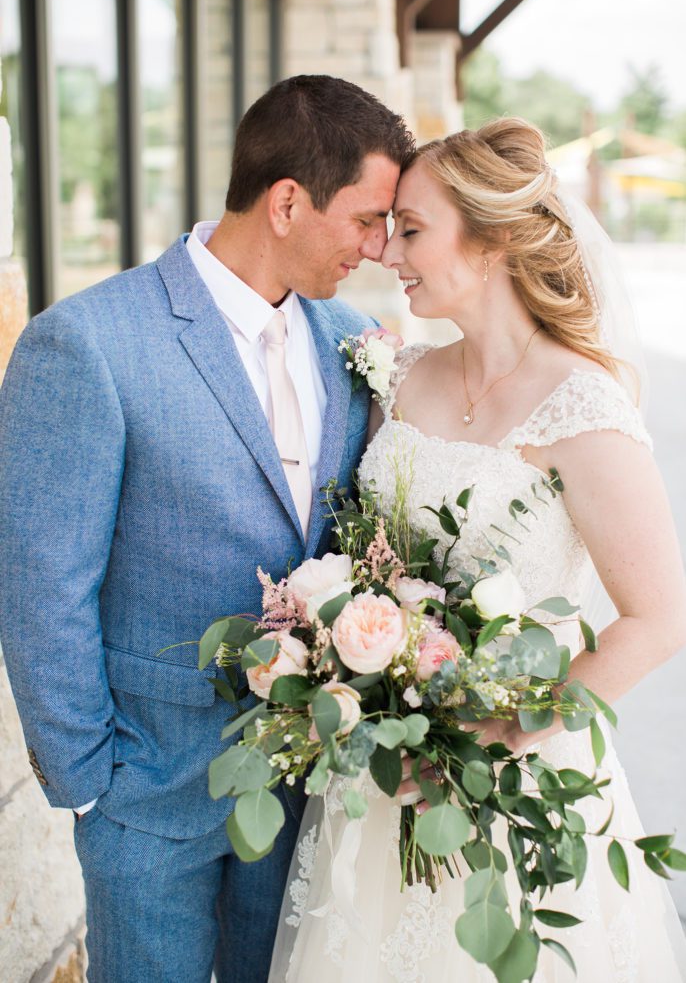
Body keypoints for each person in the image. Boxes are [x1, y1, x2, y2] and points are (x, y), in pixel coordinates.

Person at [0, 74, 414, 983]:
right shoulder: (86, 344)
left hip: (305, 794)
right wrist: (93, 784)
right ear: (287, 201)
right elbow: (41, 586)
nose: (379, 247)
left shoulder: (352, 338)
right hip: (148, 798)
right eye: (365, 219)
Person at [268, 118, 686, 981]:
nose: (389, 253)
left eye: (412, 229)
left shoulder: (583, 404)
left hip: (512, 777)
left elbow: (659, 616)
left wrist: (507, 731)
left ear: (493, 240)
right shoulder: (400, 374)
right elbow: (372, 559)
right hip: (386, 774)